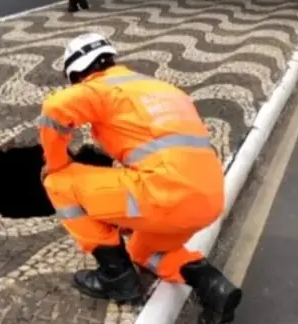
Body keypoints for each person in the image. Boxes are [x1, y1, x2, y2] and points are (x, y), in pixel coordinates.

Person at [37, 33, 243, 324]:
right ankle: (212, 285)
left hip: (163, 196)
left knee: (59, 183)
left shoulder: (100, 88)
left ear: (76, 74)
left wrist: (56, 163)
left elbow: (55, 109)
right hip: (207, 201)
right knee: (142, 251)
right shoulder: (163, 88)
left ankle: (115, 278)